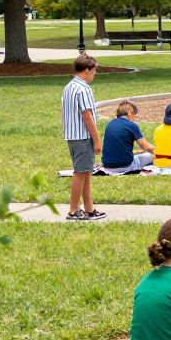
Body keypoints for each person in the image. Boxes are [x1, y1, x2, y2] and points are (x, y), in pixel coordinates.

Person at [61, 54, 106, 220]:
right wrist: (97, 140)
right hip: (83, 136)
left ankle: (89, 208)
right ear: (87, 70)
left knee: (86, 172)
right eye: (94, 70)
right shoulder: (84, 89)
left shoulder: (69, 87)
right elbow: (87, 116)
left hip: (73, 136)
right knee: (80, 173)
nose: (95, 74)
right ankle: (74, 210)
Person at [101, 101, 155, 175]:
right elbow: (145, 146)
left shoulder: (109, 124)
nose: (134, 118)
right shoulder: (131, 125)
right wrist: (159, 151)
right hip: (126, 165)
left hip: (107, 165)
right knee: (151, 155)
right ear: (130, 112)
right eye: (134, 115)